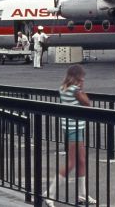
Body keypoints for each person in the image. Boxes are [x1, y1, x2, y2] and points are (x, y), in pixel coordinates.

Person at [43, 65, 95, 206]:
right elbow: (87, 103)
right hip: (75, 127)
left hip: (70, 126)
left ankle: (82, 195)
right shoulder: (75, 89)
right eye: (82, 76)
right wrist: (81, 88)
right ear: (77, 76)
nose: (83, 78)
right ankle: (50, 193)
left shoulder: (63, 88)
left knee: (81, 161)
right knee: (72, 163)